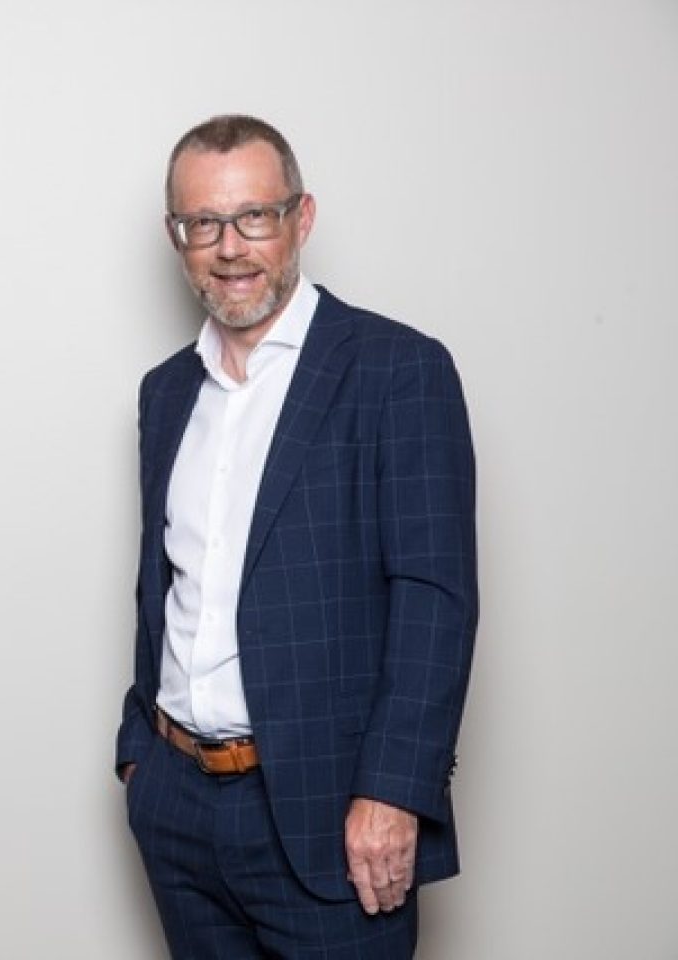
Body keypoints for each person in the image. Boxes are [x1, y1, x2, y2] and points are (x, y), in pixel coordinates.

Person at [116, 115, 477, 959]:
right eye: (203, 223)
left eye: (254, 216)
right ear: (176, 237)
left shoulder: (397, 370)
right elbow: (162, 585)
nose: (229, 248)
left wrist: (394, 793)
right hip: (176, 807)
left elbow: (434, 601)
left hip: (330, 817)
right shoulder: (166, 392)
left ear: (301, 218)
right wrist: (139, 758)